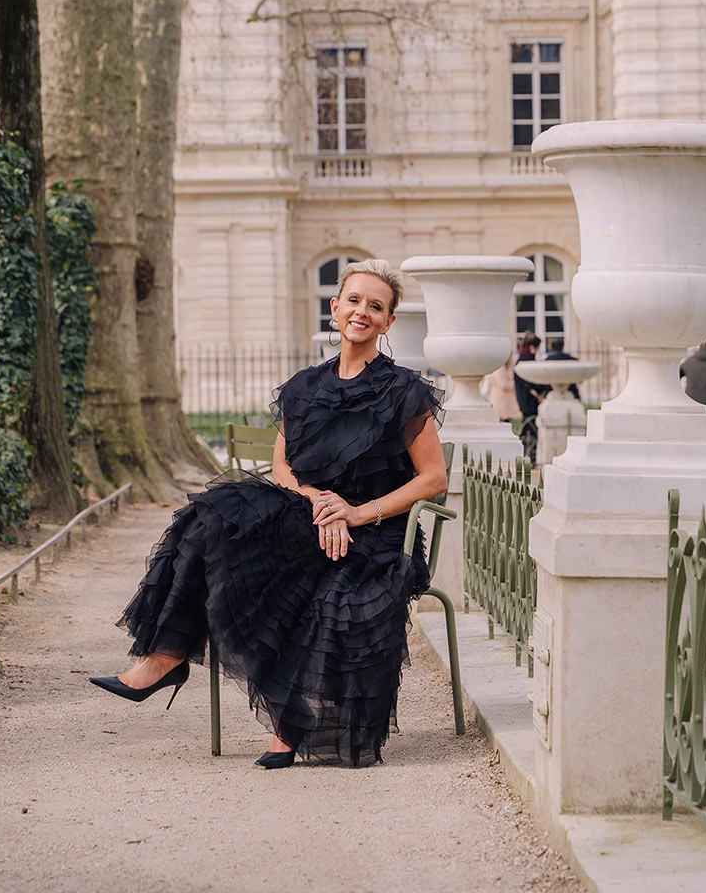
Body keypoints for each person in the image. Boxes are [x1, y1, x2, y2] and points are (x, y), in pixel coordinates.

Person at [90, 258, 447, 769]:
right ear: (335, 307)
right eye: (353, 301)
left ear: (388, 322)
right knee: (210, 519)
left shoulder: (404, 390)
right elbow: (282, 466)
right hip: (310, 519)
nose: (361, 312)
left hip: (376, 534)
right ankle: (166, 656)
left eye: (375, 306)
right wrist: (320, 505)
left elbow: (433, 479)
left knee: (321, 595)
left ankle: (288, 725)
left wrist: (354, 513)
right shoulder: (303, 387)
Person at [513, 331, 547, 464]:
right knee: (530, 429)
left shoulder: (523, 358)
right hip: (529, 400)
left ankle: (526, 455)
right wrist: (540, 392)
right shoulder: (525, 360)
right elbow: (530, 383)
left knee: (528, 427)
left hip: (525, 400)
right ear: (532, 346)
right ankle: (530, 457)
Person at [481, 356, 520, 422]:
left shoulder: (504, 367)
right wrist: (517, 384)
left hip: (503, 399)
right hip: (500, 399)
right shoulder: (499, 368)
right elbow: (503, 384)